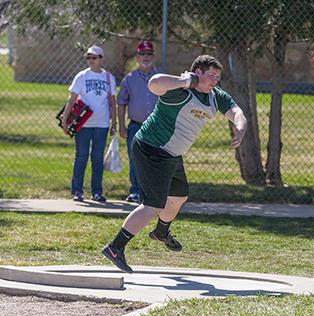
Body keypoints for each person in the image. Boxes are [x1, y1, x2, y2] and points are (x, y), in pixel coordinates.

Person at [101, 55, 247, 273]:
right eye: (211, 76)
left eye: (217, 77)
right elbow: (154, 83)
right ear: (197, 73)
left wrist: (240, 127)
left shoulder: (215, 96)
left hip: (172, 155)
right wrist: (184, 81)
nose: (214, 81)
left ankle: (161, 232)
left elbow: (237, 112)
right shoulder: (180, 92)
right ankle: (115, 247)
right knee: (154, 205)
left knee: (179, 196)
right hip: (151, 149)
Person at [62, 45, 117, 203]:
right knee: (81, 156)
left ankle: (97, 192)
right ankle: (77, 191)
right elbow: (72, 99)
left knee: (97, 158)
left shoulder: (108, 78)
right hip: (83, 124)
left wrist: (114, 124)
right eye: (88, 58)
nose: (90, 60)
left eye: (94, 57)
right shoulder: (82, 76)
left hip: (102, 124)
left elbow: (112, 103)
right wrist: (65, 120)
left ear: (101, 59)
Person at [117, 40, 160, 204]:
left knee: (155, 159)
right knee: (135, 158)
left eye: (149, 53)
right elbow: (121, 103)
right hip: (136, 125)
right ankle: (135, 191)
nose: (146, 57)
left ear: (154, 56)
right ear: (137, 56)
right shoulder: (129, 79)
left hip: (157, 127)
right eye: (142, 54)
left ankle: (152, 193)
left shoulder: (161, 78)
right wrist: (121, 125)